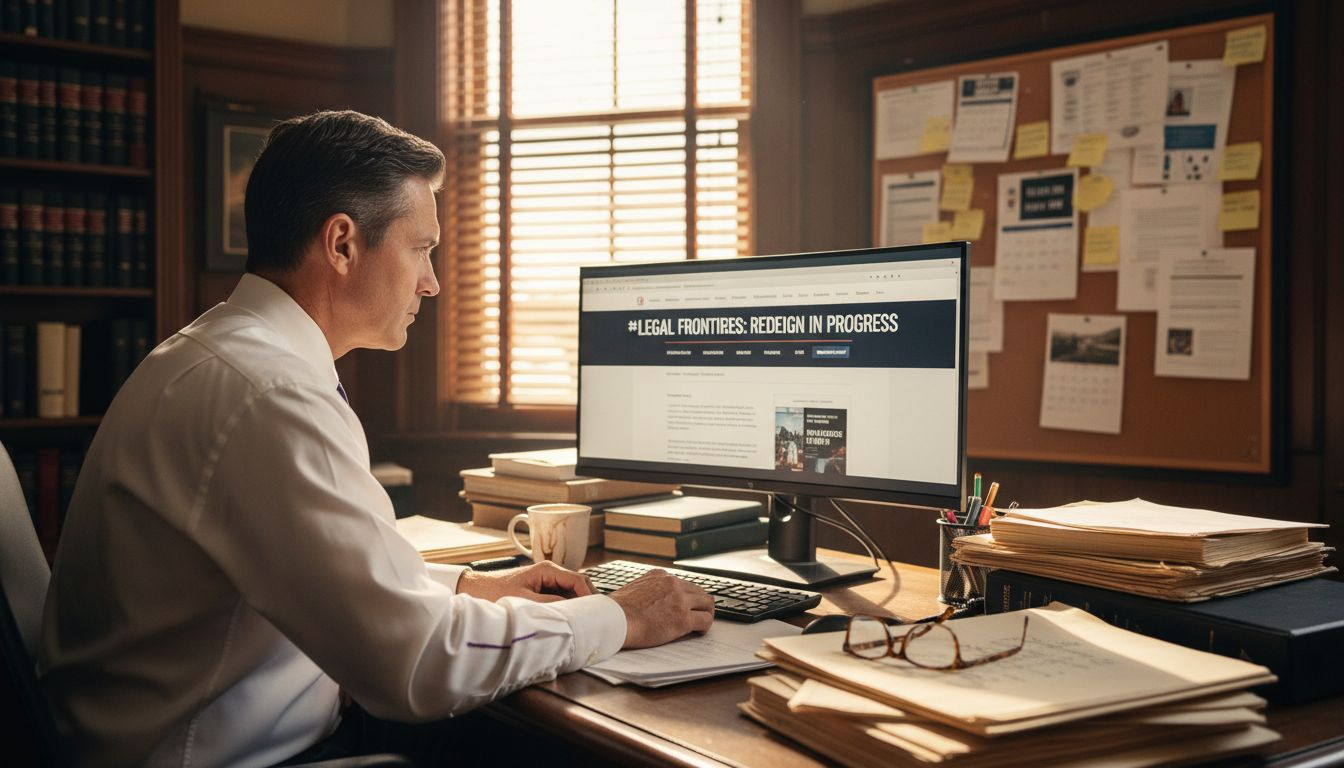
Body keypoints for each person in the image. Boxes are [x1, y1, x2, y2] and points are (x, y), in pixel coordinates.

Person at [38, 110, 715, 768]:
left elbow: (322, 567)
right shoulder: (270, 395)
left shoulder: (219, 357)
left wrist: (476, 588)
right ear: (342, 244)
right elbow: (417, 665)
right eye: (421, 249)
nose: (434, 282)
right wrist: (619, 617)